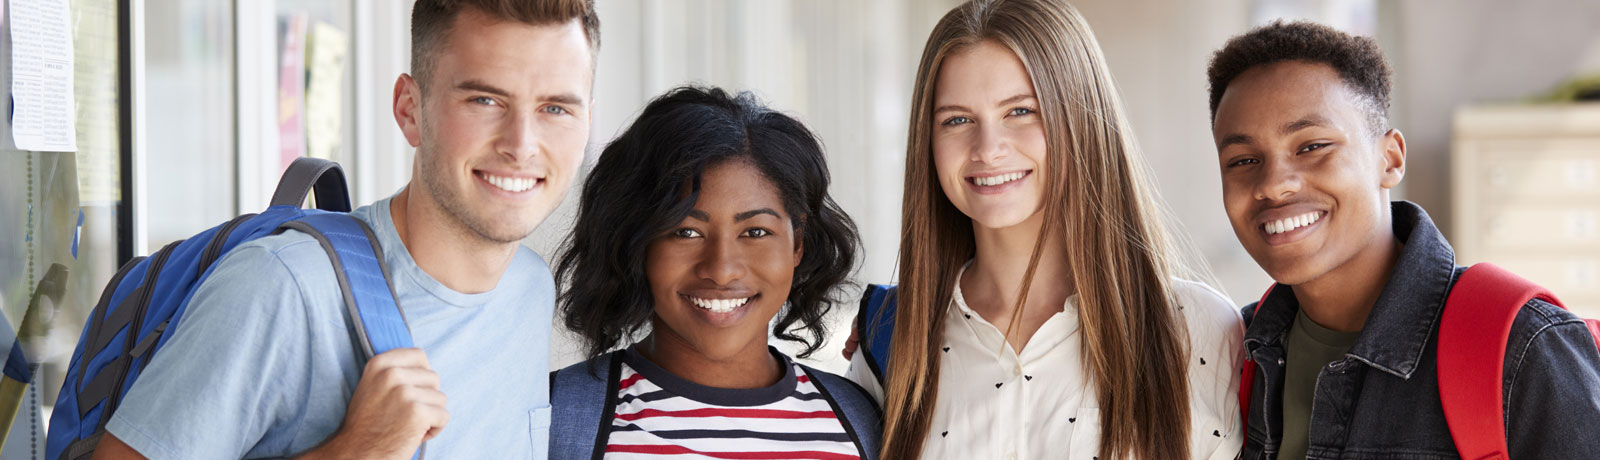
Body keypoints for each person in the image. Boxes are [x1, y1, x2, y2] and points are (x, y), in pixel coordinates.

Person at [92, 1, 600, 458]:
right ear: (409, 110)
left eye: (555, 108)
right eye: (484, 100)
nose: (521, 143)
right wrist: (354, 451)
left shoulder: (530, 289)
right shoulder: (282, 288)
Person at [844, 0, 1244, 458]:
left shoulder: (1199, 332)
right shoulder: (890, 339)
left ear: (1082, 119)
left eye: (1020, 111)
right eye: (956, 120)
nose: (988, 149)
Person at [1208, 21, 1600, 459]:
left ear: (1390, 159)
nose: (1274, 185)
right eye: (1243, 159)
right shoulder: (1237, 354)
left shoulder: (1524, 348)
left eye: (1312, 146)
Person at [548, 86, 880, 459]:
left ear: (797, 243)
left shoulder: (859, 423)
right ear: (636, 242)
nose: (721, 271)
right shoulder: (554, 419)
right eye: (685, 231)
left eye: (755, 232)